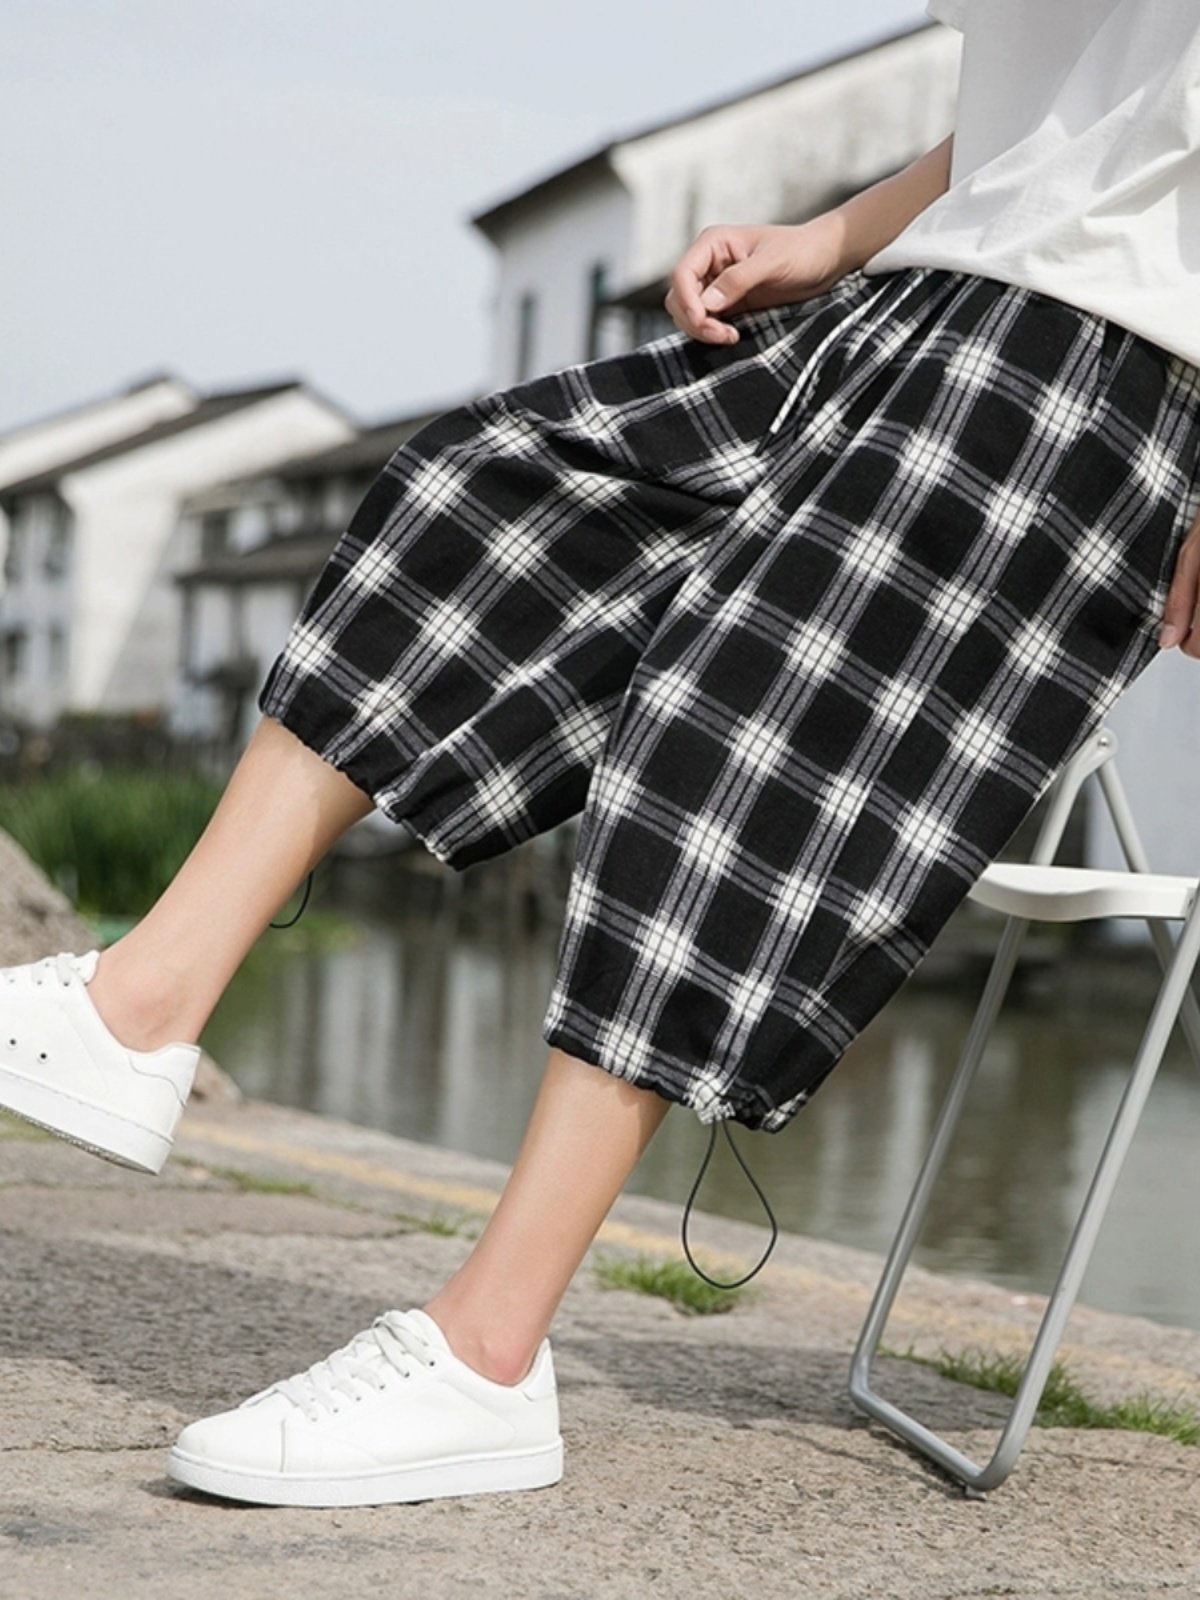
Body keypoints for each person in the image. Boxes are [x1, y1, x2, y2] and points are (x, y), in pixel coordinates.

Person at [4, 0, 1200, 1509]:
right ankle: (137, 1007)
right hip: (923, 302)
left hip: (1107, 367)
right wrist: (836, 236)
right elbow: (1091, 107)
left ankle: (483, 1358)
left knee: (728, 758)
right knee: (486, 502)